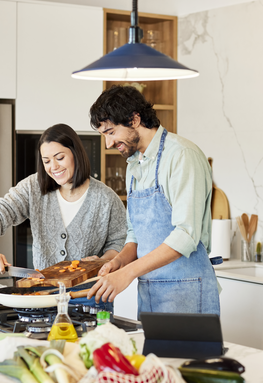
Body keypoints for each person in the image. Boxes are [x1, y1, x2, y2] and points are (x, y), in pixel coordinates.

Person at [85, 85, 221, 315]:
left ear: (134, 119)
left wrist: (128, 273)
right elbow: (135, 234)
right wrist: (118, 263)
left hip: (187, 293)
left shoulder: (181, 155)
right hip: (150, 294)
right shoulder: (134, 164)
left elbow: (185, 235)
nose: (108, 143)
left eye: (110, 132)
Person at [0, 123, 126, 310]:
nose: (53, 166)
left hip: (89, 298)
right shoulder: (34, 187)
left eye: (60, 157)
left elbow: (119, 244)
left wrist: (101, 262)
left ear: (76, 153)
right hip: (41, 297)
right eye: (46, 161)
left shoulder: (106, 198)